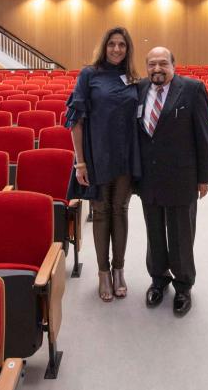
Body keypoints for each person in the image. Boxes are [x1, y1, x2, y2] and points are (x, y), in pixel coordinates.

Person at [137, 47, 208, 316]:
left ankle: (183, 285)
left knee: (181, 233)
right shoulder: (140, 88)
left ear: (173, 64)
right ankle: (158, 279)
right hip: (149, 176)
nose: (157, 69)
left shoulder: (193, 89)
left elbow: (204, 135)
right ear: (146, 67)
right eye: (151, 64)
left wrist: (205, 177)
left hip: (182, 175)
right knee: (154, 231)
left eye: (162, 64)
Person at [66, 27, 140, 302]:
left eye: (122, 45)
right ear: (104, 46)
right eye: (112, 44)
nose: (117, 49)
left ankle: (119, 269)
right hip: (97, 156)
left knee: (120, 210)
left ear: (128, 48)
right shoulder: (89, 75)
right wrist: (80, 163)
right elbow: (76, 121)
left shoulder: (133, 78)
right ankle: (103, 272)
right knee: (100, 213)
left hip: (125, 156)